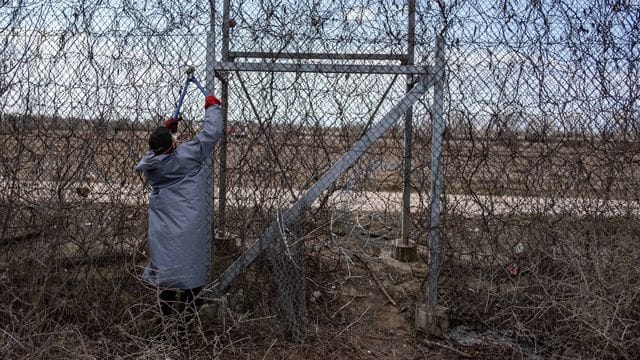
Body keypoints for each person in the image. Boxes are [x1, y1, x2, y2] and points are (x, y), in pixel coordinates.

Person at [135, 94, 223, 329]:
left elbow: (155, 153)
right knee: (191, 275)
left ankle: (166, 323)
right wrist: (212, 107)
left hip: (163, 229)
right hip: (189, 226)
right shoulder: (187, 156)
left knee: (166, 274)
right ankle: (185, 325)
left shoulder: (150, 165)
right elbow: (211, 133)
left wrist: (166, 131)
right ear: (173, 145)